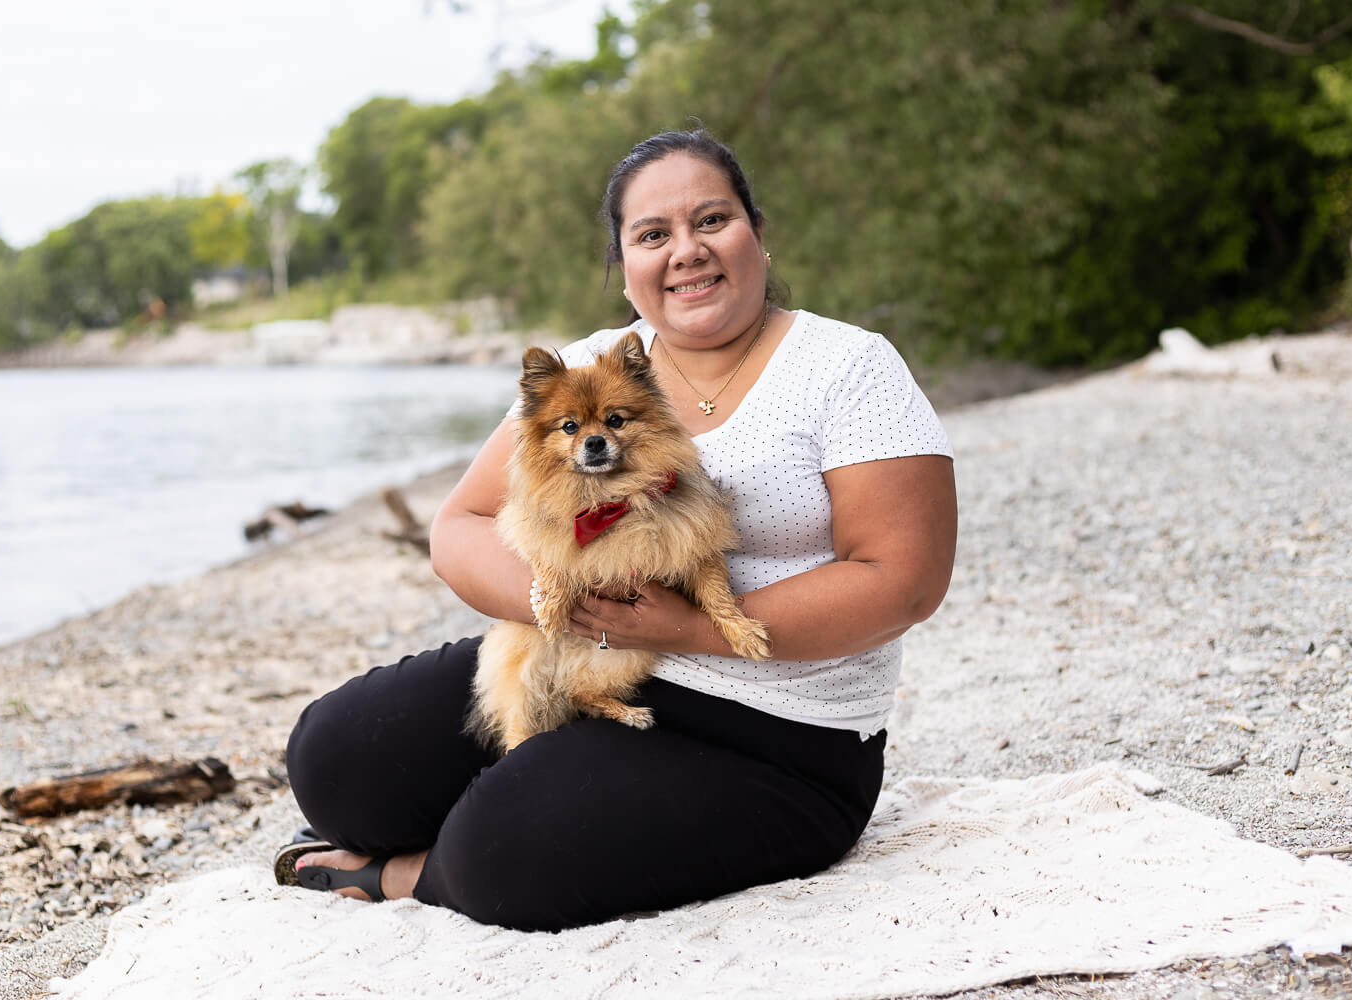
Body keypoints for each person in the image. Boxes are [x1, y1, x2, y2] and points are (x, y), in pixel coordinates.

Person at [277, 127, 958, 932]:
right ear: (623, 263)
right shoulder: (591, 364)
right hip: (581, 659)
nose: (688, 251)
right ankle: (505, 809)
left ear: (759, 234)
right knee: (337, 756)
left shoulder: (847, 366)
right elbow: (458, 526)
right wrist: (564, 599)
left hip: (780, 736)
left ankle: (408, 872)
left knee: (505, 851)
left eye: (712, 221)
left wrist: (686, 626)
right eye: (653, 234)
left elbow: (902, 581)